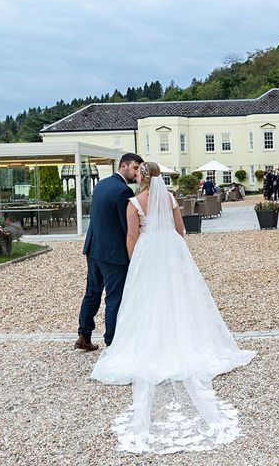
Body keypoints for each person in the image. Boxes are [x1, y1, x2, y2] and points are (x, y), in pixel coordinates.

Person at [91, 162, 255, 454]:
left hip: (147, 252)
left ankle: (151, 343)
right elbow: (180, 231)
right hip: (170, 250)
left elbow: (131, 237)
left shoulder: (133, 202)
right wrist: (174, 252)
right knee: (177, 298)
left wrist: (136, 260)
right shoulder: (168, 199)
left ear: (141, 178)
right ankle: (181, 340)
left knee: (147, 302)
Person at [74, 152, 143, 351]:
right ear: (124, 166)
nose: (137, 172)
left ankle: (84, 334)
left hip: (93, 248)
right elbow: (126, 227)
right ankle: (112, 341)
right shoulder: (124, 191)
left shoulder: (102, 184)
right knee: (114, 297)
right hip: (113, 253)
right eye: (135, 168)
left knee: (92, 292)